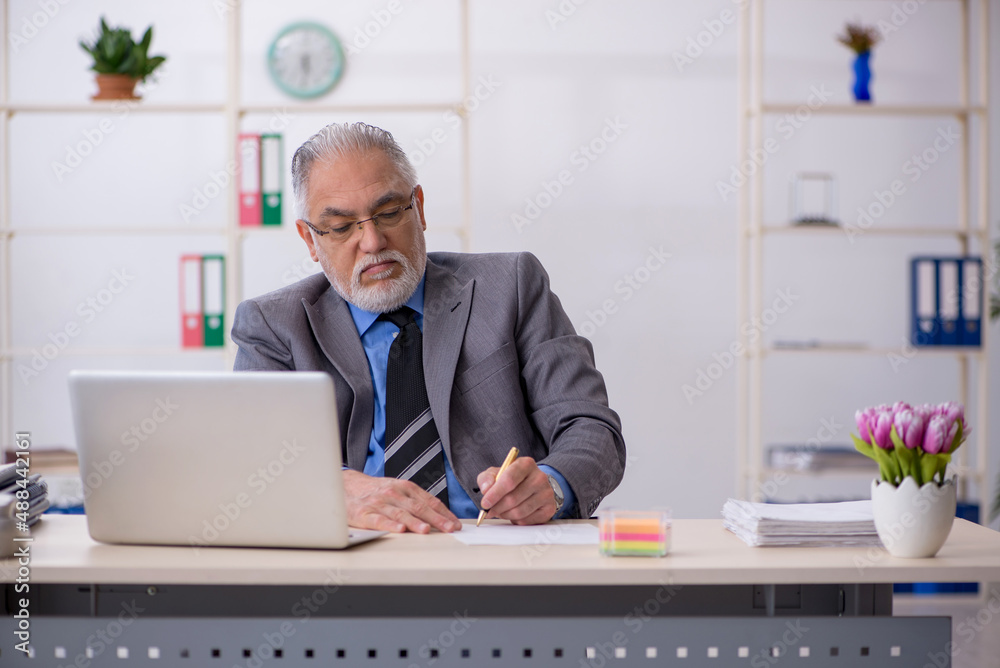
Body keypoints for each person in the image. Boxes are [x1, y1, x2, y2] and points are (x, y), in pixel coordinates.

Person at [232, 122, 625, 534]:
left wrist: (553, 485)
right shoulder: (273, 325)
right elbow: (251, 462)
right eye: (342, 226)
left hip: (497, 548)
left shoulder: (511, 286)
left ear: (418, 208)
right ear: (310, 240)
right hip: (352, 554)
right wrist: (334, 489)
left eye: (387, 213)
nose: (372, 242)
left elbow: (591, 429)